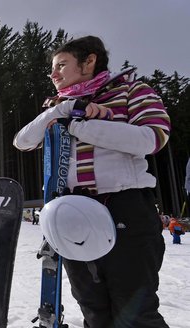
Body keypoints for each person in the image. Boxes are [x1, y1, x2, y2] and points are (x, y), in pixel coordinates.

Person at [13, 36, 169, 327]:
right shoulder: (59, 106)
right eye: (52, 68)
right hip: (74, 214)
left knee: (135, 314)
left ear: (90, 61)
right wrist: (63, 110)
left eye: (62, 64)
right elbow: (23, 141)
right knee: (94, 312)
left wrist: (79, 126)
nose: (53, 74)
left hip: (125, 208)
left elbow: (152, 138)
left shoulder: (133, 90)